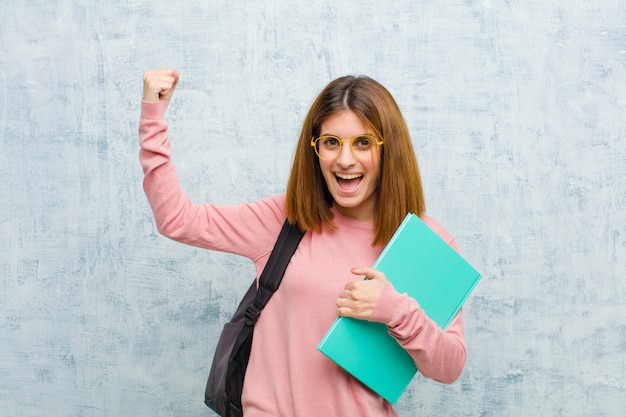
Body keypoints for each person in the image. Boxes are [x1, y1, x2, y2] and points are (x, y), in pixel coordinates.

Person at [139, 68, 467, 416]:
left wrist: (395, 311)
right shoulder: (286, 219)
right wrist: (153, 119)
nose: (345, 160)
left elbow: (449, 366)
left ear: (389, 149)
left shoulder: (426, 243)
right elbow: (177, 219)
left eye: (363, 142)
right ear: (315, 149)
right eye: (331, 142)